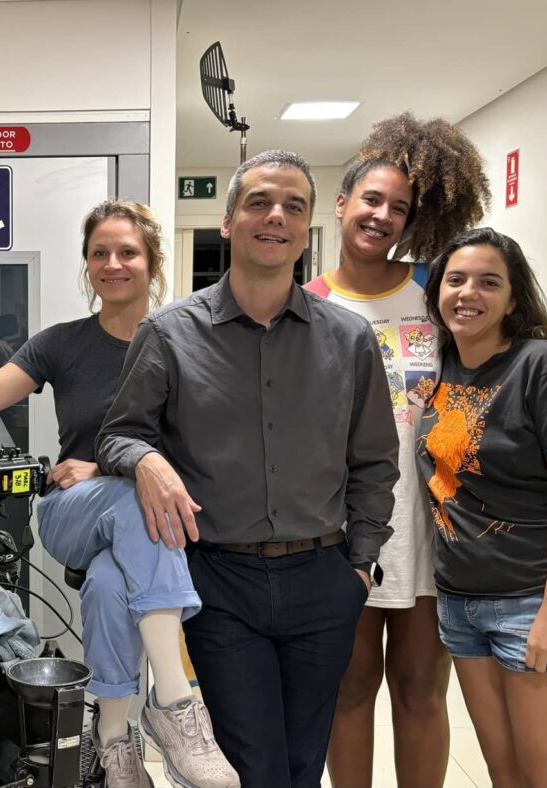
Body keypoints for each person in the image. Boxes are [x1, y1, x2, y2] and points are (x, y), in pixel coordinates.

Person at [0, 200, 239, 788]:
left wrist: (105, 465)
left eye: (128, 252)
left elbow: (206, 454)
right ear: (87, 264)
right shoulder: (62, 344)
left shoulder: (184, 341)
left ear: (153, 262)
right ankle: (176, 705)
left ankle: (114, 742)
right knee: (132, 502)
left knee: (108, 583)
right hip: (72, 511)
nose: (113, 264)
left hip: (140, 518)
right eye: (100, 253)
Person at [97, 150, 400, 787]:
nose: (275, 216)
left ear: (308, 227)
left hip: (324, 575)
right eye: (259, 202)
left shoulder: (349, 339)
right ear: (229, 220)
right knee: (251, 766)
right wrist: (146, 459)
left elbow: (375, 460)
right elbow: (118, 435)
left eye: (293, 206)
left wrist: (360, 566)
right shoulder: (169, 333)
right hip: (219, 580)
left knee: (303, 763)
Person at [305, 114, 489, 787]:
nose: (382, 216)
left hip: (430, 520)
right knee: (350, 687)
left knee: (420, 689)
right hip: (343, 526)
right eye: (372, 199)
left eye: (399, 208)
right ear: (342, 203)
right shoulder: (307, 304)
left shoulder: (436, 291)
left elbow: (509, 344)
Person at [415, 227, 547, 787]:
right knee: (506, 776)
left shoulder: (539, 364)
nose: (467, 293)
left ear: (512, 299)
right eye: (455, 280)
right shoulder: (439, 365)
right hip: (462, 604)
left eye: (488, 282)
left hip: (537, 597)